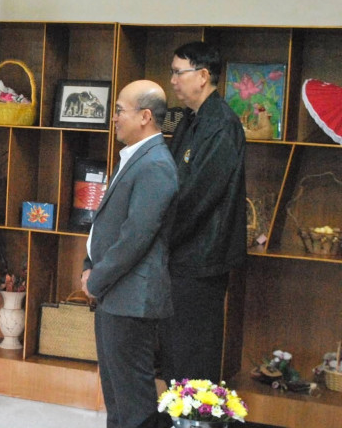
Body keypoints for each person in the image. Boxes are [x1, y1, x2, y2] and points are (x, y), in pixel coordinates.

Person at [81, 80, 178, 428]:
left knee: (134, 405)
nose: (114, 118)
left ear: (145, 116)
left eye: (120, 110)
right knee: (117, 399)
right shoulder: (136, 157)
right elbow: (108, 224)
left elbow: (135, 237)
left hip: (131, 300)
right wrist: (89, 266)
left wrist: (97, 279)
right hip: (115, 295)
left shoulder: (155, 165)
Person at [158, 41, 247, 385]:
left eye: (178, 73)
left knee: (193, 353)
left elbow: (198, 197)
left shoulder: (221, 124)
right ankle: (175, 410)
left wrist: (158, 236)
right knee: (174, 350)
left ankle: (194, 413)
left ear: (203, 76)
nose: (173, 81)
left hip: (201, 258)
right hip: (179, 255)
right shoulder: (188, 118)